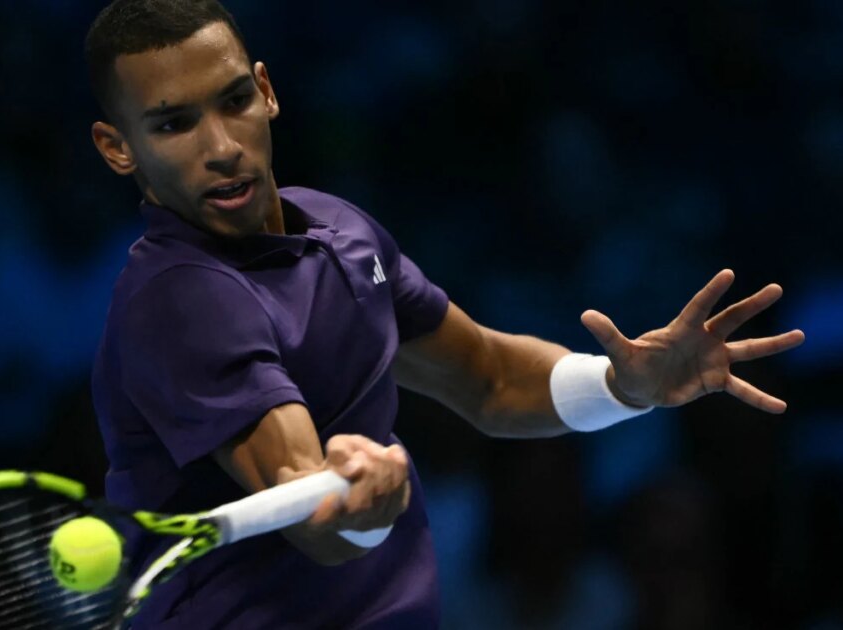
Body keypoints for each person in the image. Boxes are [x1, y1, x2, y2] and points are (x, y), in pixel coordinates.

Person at [84, 1, 805, 627]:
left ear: (267, 91)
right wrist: (361, 507)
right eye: (174, 124)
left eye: (234, 99)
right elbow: (310, 509)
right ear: (119, 149)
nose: (222, 145)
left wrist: (624, 387)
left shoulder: (340, 232)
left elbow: (488, 379)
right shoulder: (180, 301)